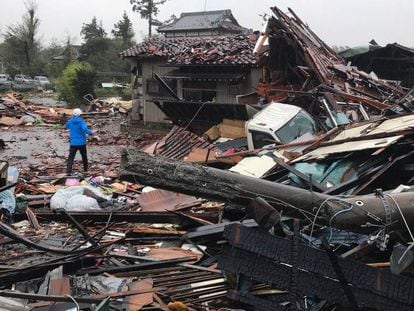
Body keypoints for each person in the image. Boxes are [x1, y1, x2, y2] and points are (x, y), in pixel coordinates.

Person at [66, 108, 92, 176]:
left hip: (73, 143)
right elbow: (84, 129)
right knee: (84, 157)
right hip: (81, 143)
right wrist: (90, 133)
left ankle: (68, 172)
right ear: (80, 114)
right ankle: (86, 169)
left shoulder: (70, 121)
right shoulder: (81, 121)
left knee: (71, 157)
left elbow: (66, 126)